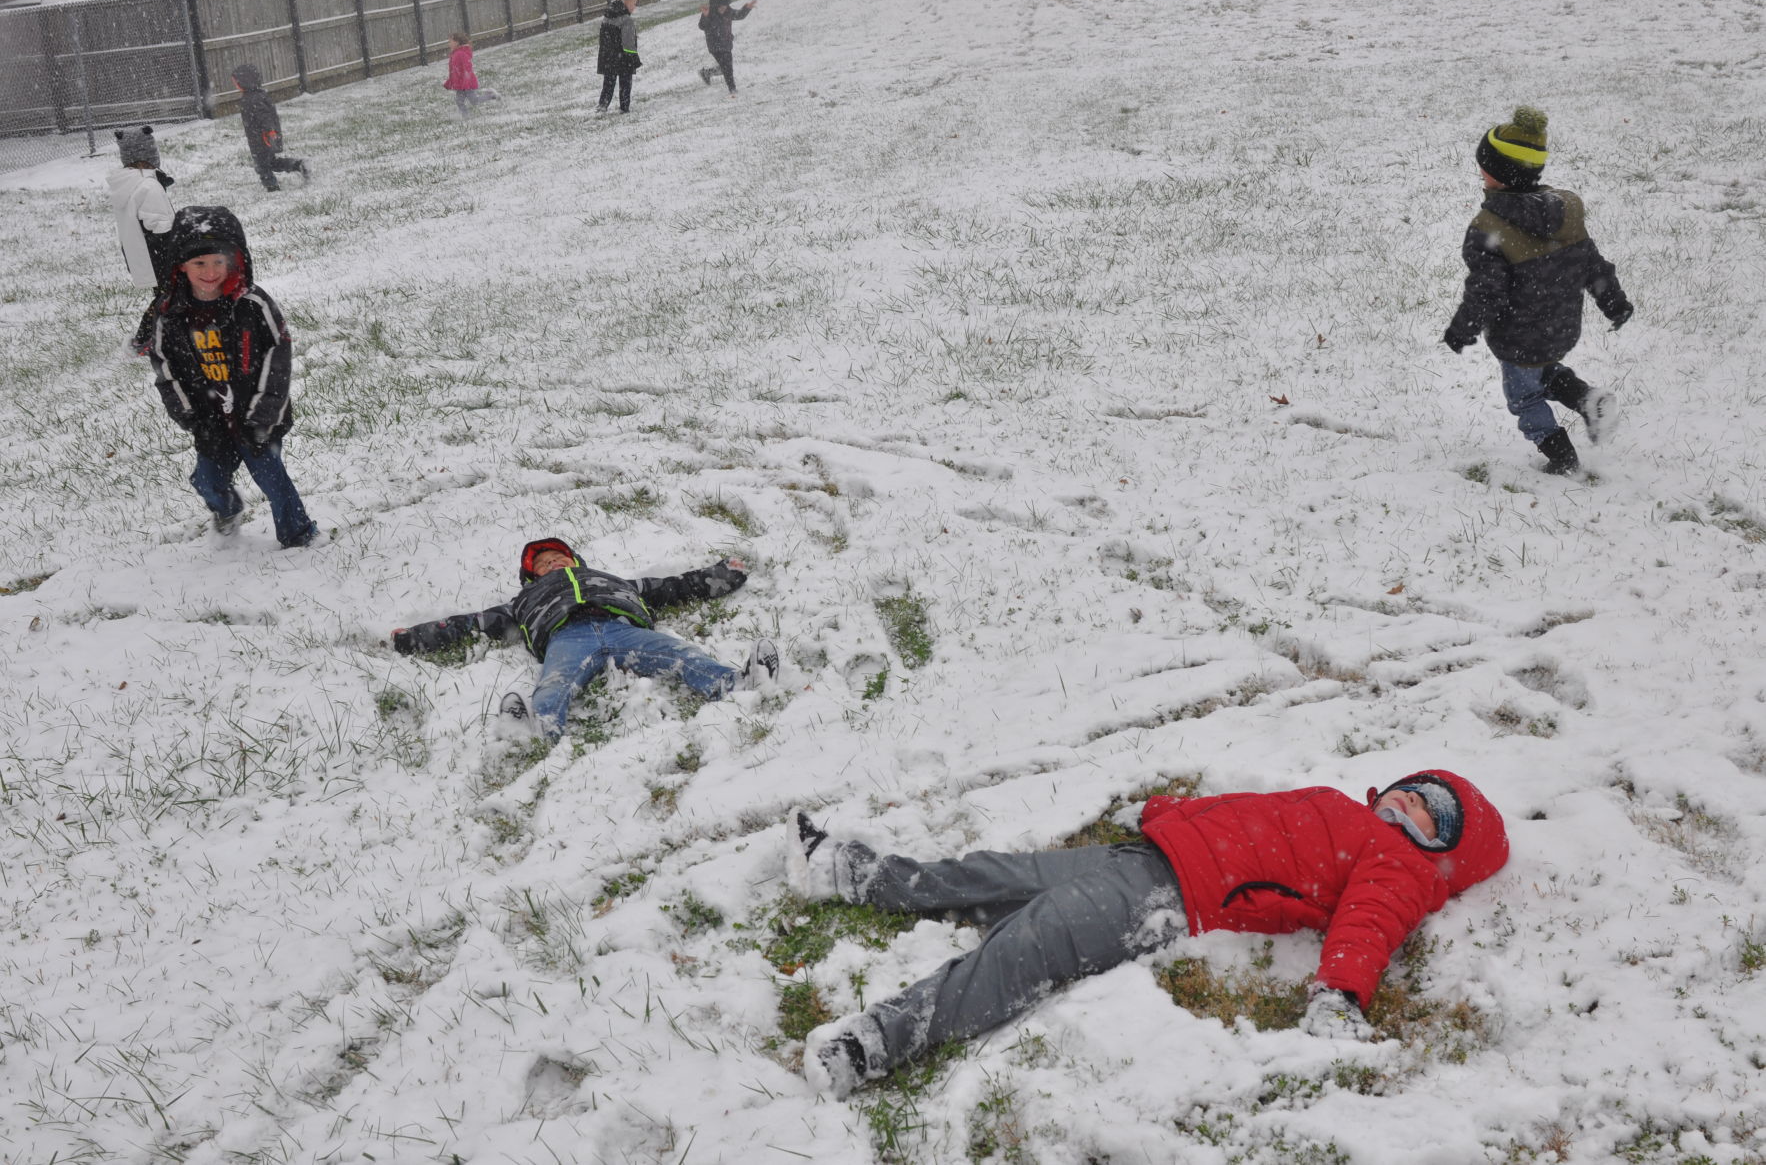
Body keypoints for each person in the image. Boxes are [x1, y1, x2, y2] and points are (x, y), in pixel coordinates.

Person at [788, 769, 1509, 1098]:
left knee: (1028, 944)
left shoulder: (1400, 868)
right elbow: (1248, 814)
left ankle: (878, 1041)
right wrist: (1172, 813)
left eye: (1427, 814)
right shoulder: (1339, 804)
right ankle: (854, 874)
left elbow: (1369, 925)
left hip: (1172, 895)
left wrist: (1339, 995)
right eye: (1414, 789)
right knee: (996, 874)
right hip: (1154, 853)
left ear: (1439, 849)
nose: (1409, 803)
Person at [392, 537, 780, 739]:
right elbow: (470, 623)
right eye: (544, 563)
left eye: (559, 558)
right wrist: (412, 637)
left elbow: (674, 586)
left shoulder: (614, 583)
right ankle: (539, 727)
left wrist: (723, 575)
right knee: (555, 682)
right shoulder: (523, 601)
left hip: (623, 628)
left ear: (574, 562)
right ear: (533, 576)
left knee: (678, 652)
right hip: (567, 638)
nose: (553, 563)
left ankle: (737, 682)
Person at [1443, 106, 1633, 476]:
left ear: (1494, 173)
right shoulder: (1565, 212)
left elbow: (1487, 291)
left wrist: (1462, 329)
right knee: (1544, 371)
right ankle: (1589, 400)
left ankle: (1563, 460)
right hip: (1560, 327)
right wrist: (1614, 302)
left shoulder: (1489, 226)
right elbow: (1594, 265)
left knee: (1525, 397)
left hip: (1519, 336)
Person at [145, 206, 320, 548]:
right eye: (199, 264)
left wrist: (262, 415)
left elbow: (278, 353)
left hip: (256, 417)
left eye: (218, 262)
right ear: (181, 265)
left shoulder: (252, 303)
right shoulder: (170, 313)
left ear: (235, 261)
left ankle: (298, 533)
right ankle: (226, 509)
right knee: (207, 480)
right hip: (209, 419)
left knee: (273, 478)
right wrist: (193, 419)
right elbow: (166, 370)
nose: (210, 272)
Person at [107, 126, 176, 353]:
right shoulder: (148, 187)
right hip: (159, 253)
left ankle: (158, 336)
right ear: (148, 157)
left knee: (165, 295)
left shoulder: (127, 184)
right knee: (168, 297)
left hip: (142, 254)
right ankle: (144, 340)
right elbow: (162, 226)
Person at [231, 64, 311, 192]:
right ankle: (298, 165)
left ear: (245, 81)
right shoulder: (256, 95)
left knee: (262, 166)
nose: (235, 85)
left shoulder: (252, 99)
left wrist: (270, 131)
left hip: (262, 138)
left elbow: (265, 116)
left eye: (236, 82)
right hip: (261, 137)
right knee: (272, 163)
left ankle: (272, 187)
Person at [698, 0, 756, 97]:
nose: (723, 8)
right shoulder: (709, 13)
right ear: (715, 5)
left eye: (725, 5)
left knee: (725, 67)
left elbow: (739, 15)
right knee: (727, 66)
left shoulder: (728, 11)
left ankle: (707, 73)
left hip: (726, 43)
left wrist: (747, 8)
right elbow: (702, 26)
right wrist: (706, 16)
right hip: (715, 46)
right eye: (720, 6)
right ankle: (732, 89)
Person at [596, 0, 641, 115]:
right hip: (623, 57)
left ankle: (602, 105)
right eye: (634, 3)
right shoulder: (626, 19)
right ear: (626, 1)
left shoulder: (608, 15)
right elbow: (628, 43)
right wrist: (633, 58)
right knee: (625, 82)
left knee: (608, 83)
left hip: (608, 56)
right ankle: (624, 107)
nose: (635, 6)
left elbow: (603, 36)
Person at [443, 30, 501, 119]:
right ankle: (466, 116)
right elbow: (453, 71)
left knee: (474, 101)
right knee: (459, 101)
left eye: (450, 42)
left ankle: (491, 95)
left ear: (457, 42)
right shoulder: (455, 54)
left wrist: (466, 80)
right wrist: (450, 81)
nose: (449, 44)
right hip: (460, 84)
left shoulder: (461, 54)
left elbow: (467, 68)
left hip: (467, 83)